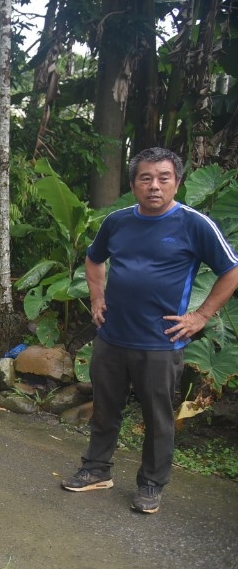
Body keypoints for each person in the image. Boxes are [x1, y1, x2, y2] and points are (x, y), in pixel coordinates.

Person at [61, 147, 238, 513]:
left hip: (160, 342)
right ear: (133, 183)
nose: (154, 186)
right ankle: (96, 469)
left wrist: (201, 316)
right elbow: (94, 259)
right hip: (111, 337)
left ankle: (151, 485)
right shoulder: (118, 221)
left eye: (163, 178)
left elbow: (231, 270)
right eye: (146, 178)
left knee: (157, 419)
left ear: (177, 182)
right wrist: (96, 301)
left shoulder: (195, 224)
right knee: (105, 409)